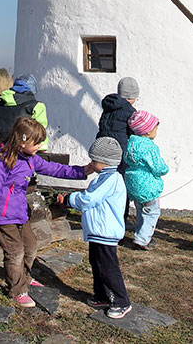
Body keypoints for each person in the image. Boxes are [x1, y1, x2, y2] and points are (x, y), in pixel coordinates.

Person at [0, 117, 89, 307]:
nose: (40, 146)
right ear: (22, 142)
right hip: (2, 217)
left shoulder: (29, 159)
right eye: (36, 143)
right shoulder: (1, 160)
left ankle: (24, 277)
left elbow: (53, 168)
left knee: (30, 248)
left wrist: (82, 172)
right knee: (15, 253)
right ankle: (17, 290)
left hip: (20, 214)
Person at [69, 136, 132, 319]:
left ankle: (121, 301)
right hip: (97, 232)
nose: (91, 163)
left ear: (104, 162)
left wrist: (70, 199)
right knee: (97, 264)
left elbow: (89, 199)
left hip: (105, 232)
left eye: (93, 160)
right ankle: (103, 295)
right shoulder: (104, 177)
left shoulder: (111, 179)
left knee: (108, 267)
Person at [123, 110, 168, 249]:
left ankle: (140, 233)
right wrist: (164, 169)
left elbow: (126, 159)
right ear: (148, 131)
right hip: (147, 186)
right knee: (152, 212)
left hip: (134, 184)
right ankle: (142, 239)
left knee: (140, 211)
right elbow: (157, 166)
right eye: (155, 128)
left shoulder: (131, 143)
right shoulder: (149, 147)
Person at [0, 74, 48, 147]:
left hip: (0, 150)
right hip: (24, 151)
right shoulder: (37, 106)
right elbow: (40, 131)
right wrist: (42, 149)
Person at [96, 77, 139, 152]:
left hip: (102, 145)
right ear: (133, 96)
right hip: (119, 148)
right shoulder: (130, 111)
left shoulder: (109, 106)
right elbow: (132, 133)